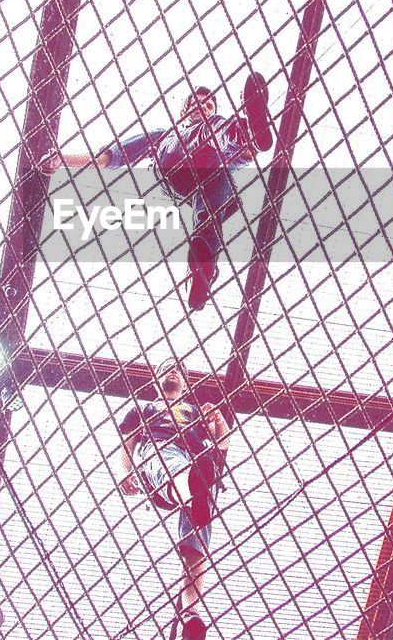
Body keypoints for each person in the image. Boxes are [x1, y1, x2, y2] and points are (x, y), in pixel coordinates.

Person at [41, 75, 274, 310]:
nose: (201, 106)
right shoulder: (164, 135)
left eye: (207, 104)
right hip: (174, 163)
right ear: (183, 113)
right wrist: (62, 160)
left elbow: (236, 158)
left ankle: (201, 268)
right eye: (194, 103)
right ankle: (245, 133)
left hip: (210, 176)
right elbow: (109, 157)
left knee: (220, 180)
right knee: (213, 132)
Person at [117, 361, 231, 639]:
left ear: (185, 381)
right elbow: (127, 442)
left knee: (198, 538)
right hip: (160, 453)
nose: (172, 370)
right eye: (166, 368)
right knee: (169, 460)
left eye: (178, 368)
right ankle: (190, 491)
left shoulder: (194, 411)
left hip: (194, 460)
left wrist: (218, 421)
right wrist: (124, 473)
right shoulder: (143, 409)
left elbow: (223, 443)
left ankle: (190, 613)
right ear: (155, 380)